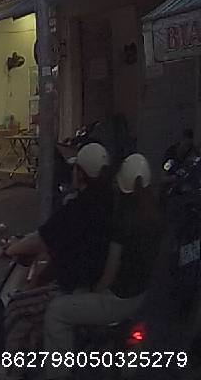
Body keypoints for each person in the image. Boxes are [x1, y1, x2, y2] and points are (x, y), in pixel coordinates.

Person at [0, 143, 114, 379]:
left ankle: (11, 371)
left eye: (76, 169)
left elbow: (43, 239)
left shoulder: (79, 208)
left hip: (72, 285)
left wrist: (10, 250)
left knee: (16, 309)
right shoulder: (108, 201)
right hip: (96, 280)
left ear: (81, 173)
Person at [42, 154, 163, 375]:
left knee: (56, 312)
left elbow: (109, 274)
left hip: (118, 300)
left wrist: (94, 291)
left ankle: (59, 373)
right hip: (143, 297)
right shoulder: (156, 214)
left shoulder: (123, 219)